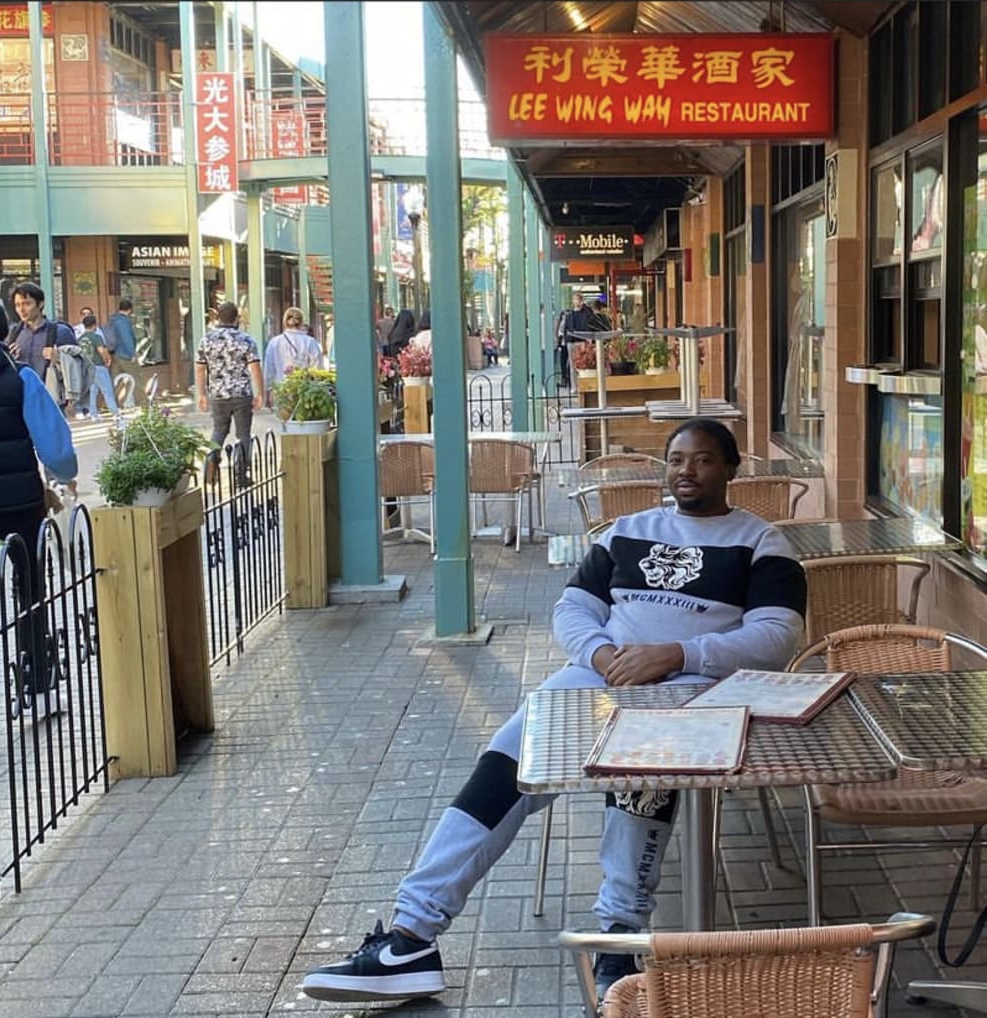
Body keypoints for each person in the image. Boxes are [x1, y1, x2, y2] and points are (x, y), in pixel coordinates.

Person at [301, 418, 807, 1006]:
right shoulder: (626, 531)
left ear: (731, 468)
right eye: (676, 460)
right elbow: (571, 609)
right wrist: (603, 654)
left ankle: (619, 937)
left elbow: (777, 636)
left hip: (690, 690)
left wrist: (677, 653)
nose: (686, 471)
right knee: (501, 769)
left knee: (639, 781)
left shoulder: (761, 541)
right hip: (597, 676)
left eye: (703, 460)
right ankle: (410, 937)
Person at [0, 300, 78, 749]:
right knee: (30, 591)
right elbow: (57, 450)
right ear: (2, 334)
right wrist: (65, 476)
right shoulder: (20, 376)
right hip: (19, 504)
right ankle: (39, 691)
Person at [195, 301, 263, 486]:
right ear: (236, 318)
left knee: (218, 430)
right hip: (241, 393)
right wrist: (260, 393)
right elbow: (255, 368)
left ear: (218, 317)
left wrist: (201, 394)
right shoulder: (246, 340)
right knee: (243, 434)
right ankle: (240, 474)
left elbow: (200, 368)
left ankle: (211, 457)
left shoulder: (206, 340)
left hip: (218, 394)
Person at [263, 307, 324, 405]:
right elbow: (317, 369)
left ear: (284, 322)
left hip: (281, 391)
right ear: (301, 322)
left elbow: (269, 370)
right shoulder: (310, 342)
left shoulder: (274, 342)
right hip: (305, 392)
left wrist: (268, 391)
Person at [81, 314, 121, 421]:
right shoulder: (96, 337)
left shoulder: (80, 338)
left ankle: (93, 414)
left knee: (93, 391)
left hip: (87, 367)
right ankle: (115, 413)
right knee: (107, 390)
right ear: (95, 325)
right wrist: (107, 360)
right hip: (98, 366)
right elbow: (102, 351)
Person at [559, 293, 590, 387]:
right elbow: (566, 328)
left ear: (581, 301)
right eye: (574, 299)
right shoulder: (569, 315)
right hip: (571, 341)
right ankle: (574, 386)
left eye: (578, 299)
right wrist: (565, 340)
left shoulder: (585, 313)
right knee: (572, 365)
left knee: (583, 363)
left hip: (582, 341)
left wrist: (584, 307)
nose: (576, 301)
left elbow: (589, 322)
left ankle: (583, 385)